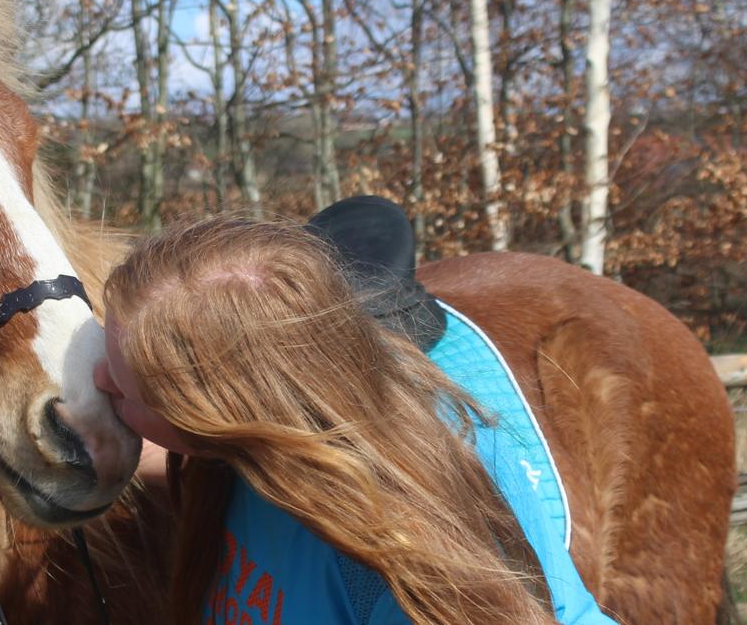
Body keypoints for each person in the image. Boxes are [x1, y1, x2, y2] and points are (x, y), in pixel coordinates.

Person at [93, 216, 615, 625]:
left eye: (123, 384)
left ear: (212, 417)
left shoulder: (402, 559)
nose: (99, 379)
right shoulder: (243, 460)